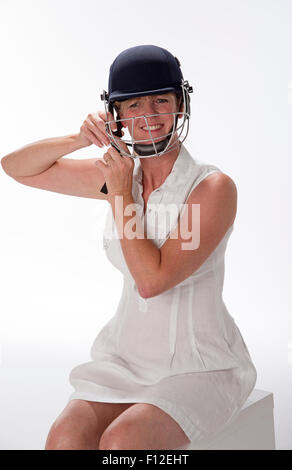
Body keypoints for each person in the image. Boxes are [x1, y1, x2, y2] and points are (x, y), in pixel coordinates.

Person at [1, 45, 257, 450]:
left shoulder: (211, 188)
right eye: (133, 104)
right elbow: (15, 167)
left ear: (180, 104)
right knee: (63, 438)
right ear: (116, 115)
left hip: (199, 365)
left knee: (122, 444)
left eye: (160, 100)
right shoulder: (121, 175)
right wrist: (78, 138)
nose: (149, 116)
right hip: (124, 358)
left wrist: (120, 194)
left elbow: (151, 280)